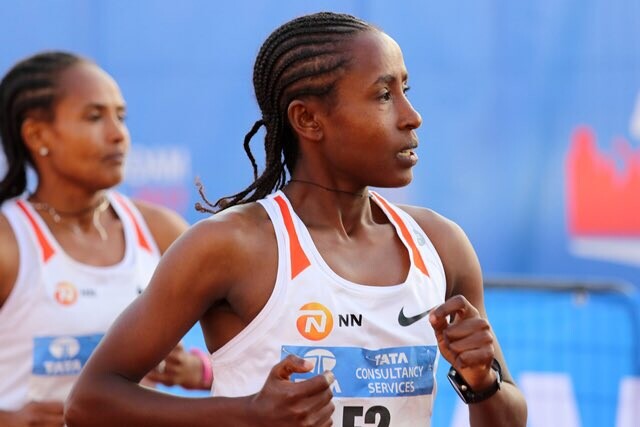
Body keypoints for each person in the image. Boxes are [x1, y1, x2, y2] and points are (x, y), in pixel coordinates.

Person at [66, 12, 528, 426]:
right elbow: (91, 401)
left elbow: (507, 419)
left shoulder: (440, 244)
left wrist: (481, 382)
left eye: (405, 91)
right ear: (308, 120)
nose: (412, 117)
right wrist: (248, 415)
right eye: (384, 95)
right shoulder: (232, 245)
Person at [0, 51, 212, 427]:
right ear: (37, 134)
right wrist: (8, 419)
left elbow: (256, 350)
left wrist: (198, 371)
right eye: (94, 117)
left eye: (121, 116)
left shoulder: (161, 230)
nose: (118, 135)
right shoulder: (9, 243)